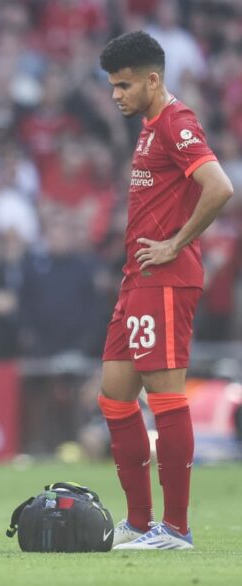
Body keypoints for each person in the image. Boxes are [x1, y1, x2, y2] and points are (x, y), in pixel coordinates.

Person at [97, 31, 233, 550]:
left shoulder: (177, 122)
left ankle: (175, 529)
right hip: (138, 279)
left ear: (154, 79)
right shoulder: (151, 125)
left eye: (124, 85)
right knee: (114, 396)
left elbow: (219, 187)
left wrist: (176, 242)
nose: (116, 96)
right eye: (112, 86)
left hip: (166, 280)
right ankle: (137, 523)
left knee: (166, 398)